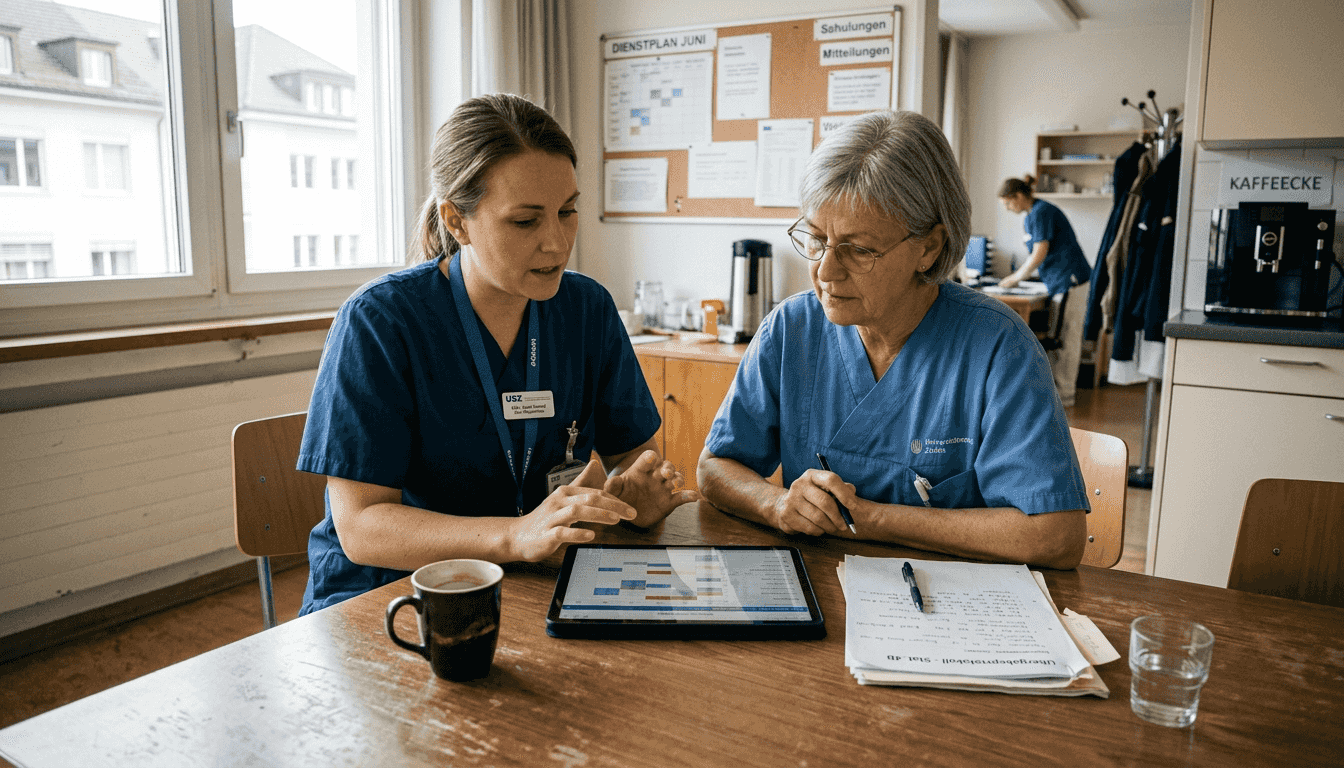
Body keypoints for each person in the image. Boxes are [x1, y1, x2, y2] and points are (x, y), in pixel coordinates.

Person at [296, 94, 696, 614]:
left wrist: (635, 500)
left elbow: (636, 461)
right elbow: (363, 527)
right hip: (393, 596)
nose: (556, 242)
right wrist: (514, 535)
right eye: (526, 222)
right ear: (457, 222)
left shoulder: (587, 309)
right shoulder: (381, 321)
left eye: (568, 212)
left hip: (533, 583)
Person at [697, 111, 1088, 570]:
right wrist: (776, 504)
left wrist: (874, 519)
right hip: (821, 591)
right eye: (817, 239)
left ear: (929, 247)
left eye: (859, 249)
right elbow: (715, 468)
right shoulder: (791, 331)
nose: (825, 271)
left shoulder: (998, 348)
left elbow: (1055, 536)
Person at [997, 175, 1093, 406]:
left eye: (1009, 204)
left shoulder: (1042, 212)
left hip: (1071, 280)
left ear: (1019, 196)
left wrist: (1016, 278)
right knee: (1056, 337)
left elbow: (1039, 252)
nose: (1008, 209)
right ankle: (1055, 392)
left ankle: (1065, 395)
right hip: (1057, 282)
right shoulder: (1032, 215)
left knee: (1066, 338)